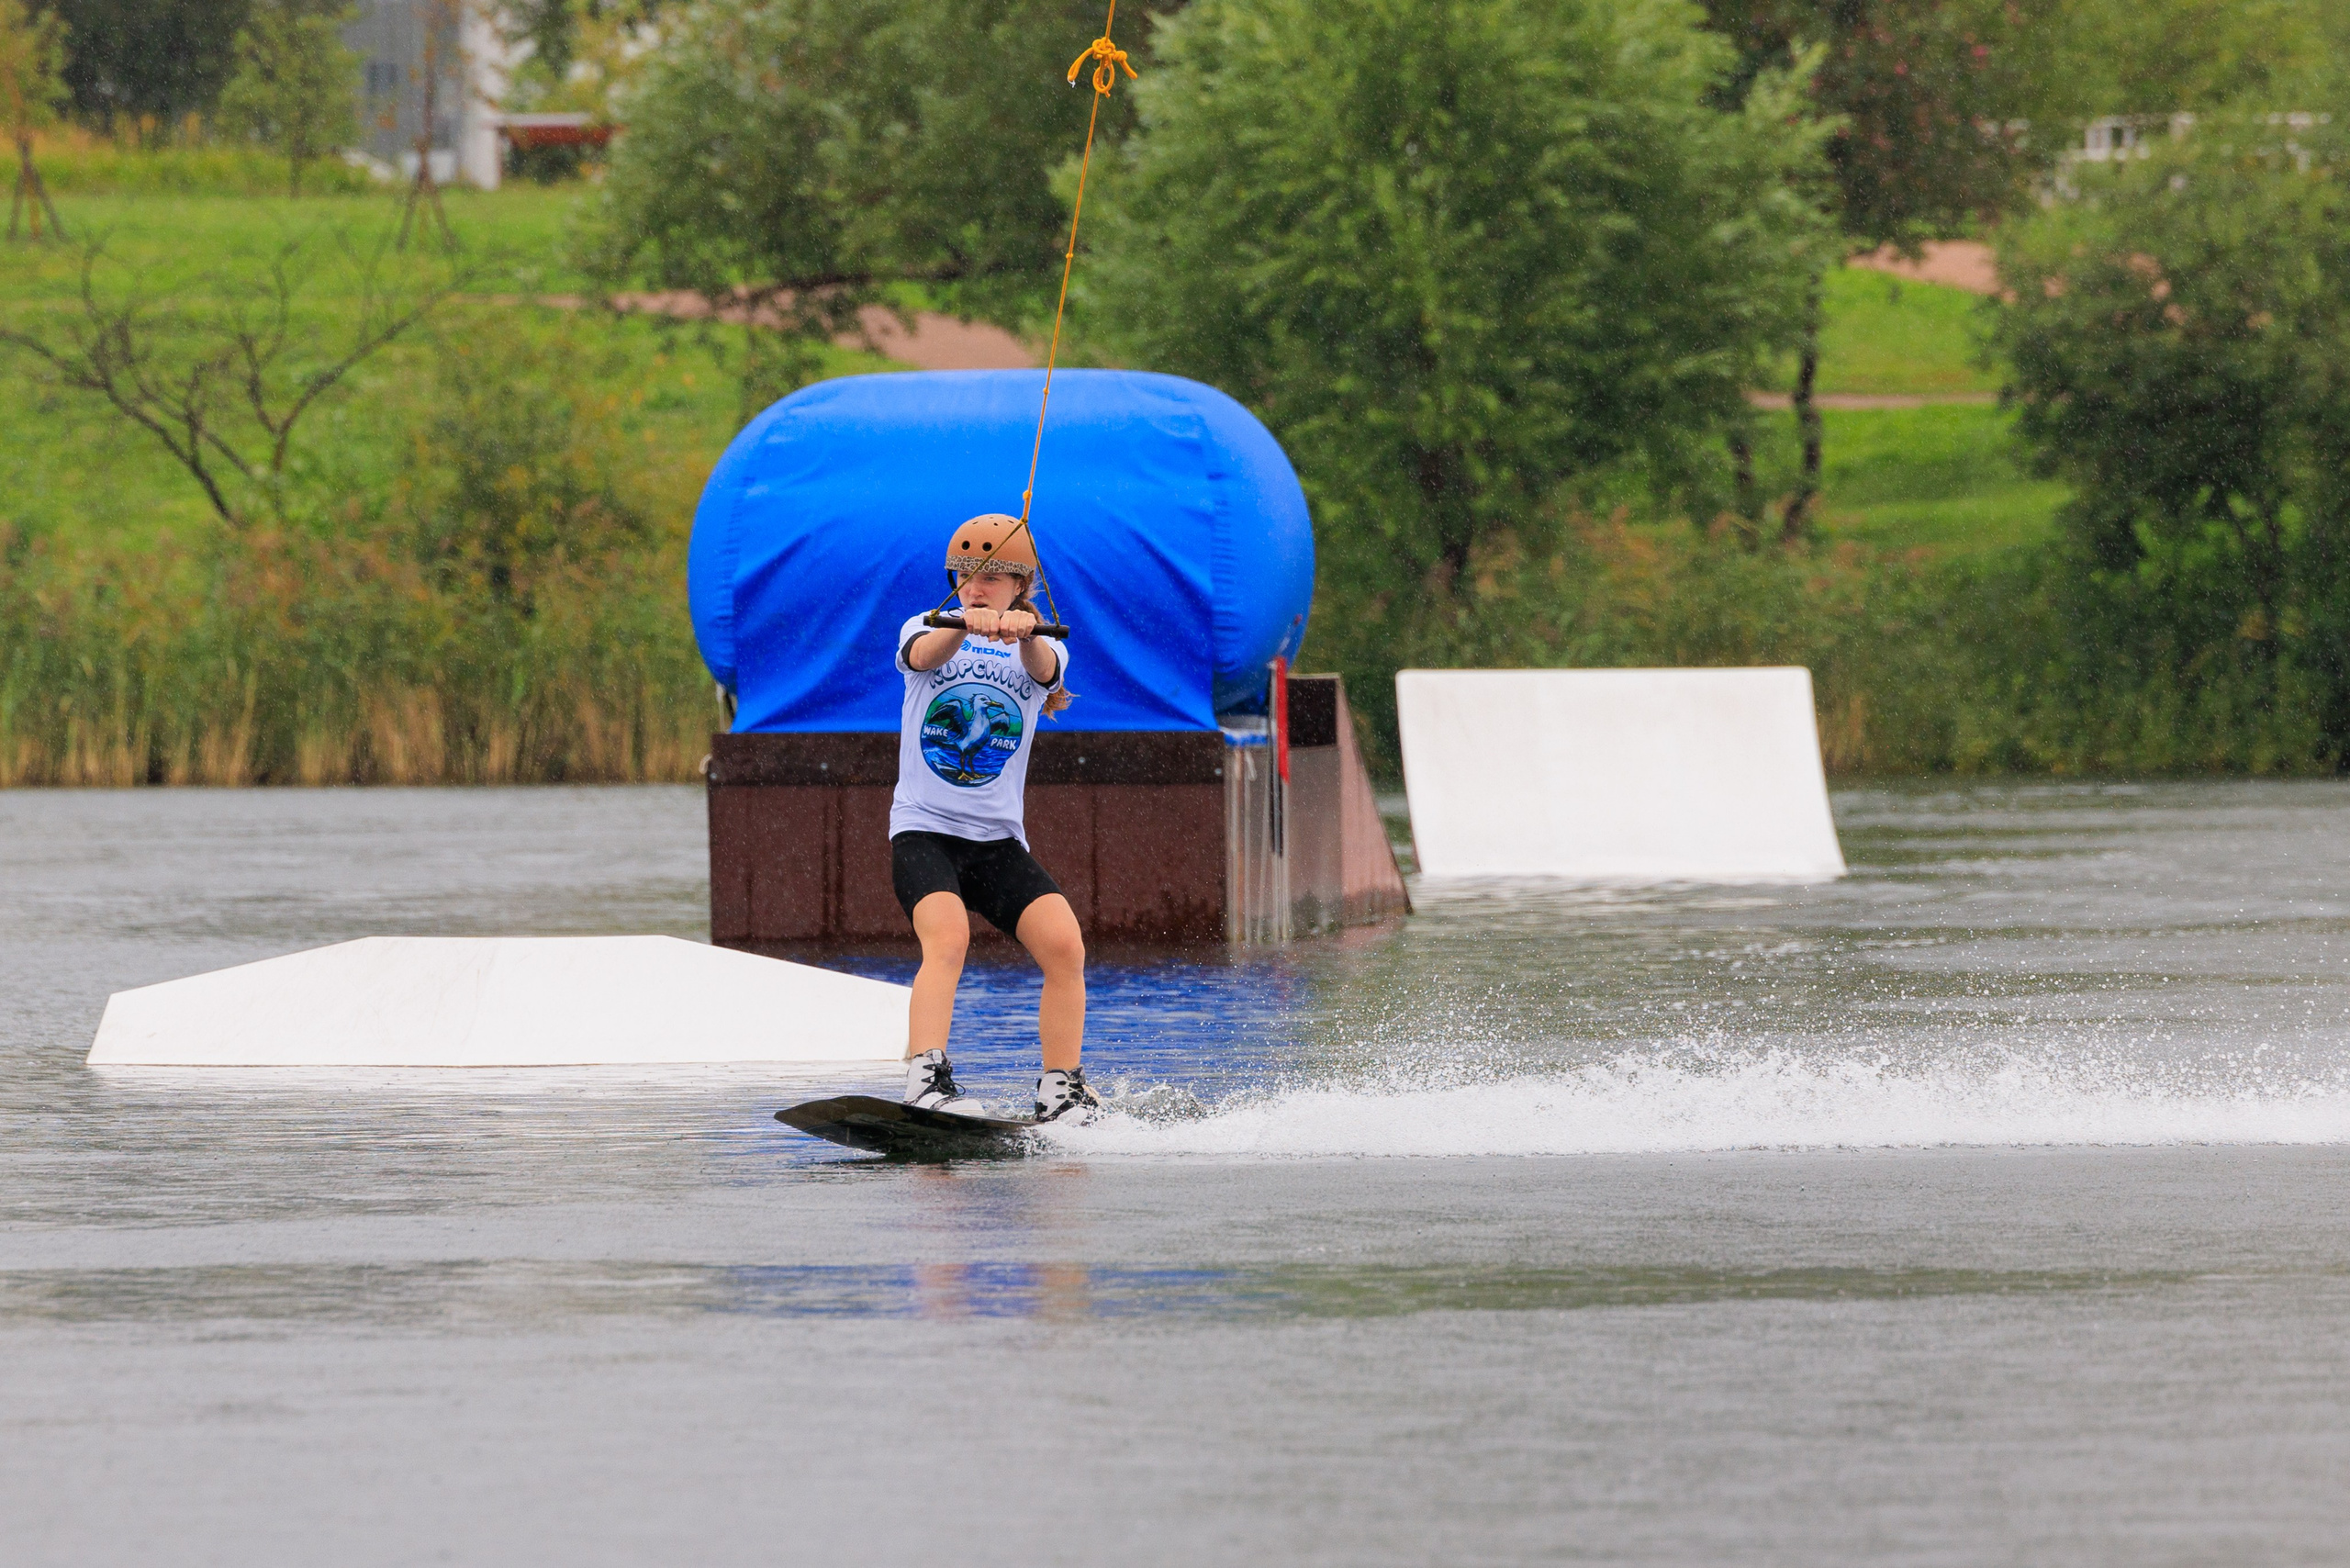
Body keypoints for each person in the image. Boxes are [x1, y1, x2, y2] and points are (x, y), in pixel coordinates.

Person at [890, 513, 1098, 1124]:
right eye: (967, 576)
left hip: (996, 844)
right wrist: (962, 627)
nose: (977, 587)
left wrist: (1026, 633)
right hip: (924, 833)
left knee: (1064, 945)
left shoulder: (1047, 647)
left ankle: (1060, 1089)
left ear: (1020, 585)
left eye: (994, 577)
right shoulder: (924, 627)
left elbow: (1043, 670)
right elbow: (925, 654)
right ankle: (925, 1076)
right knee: (948, 938)